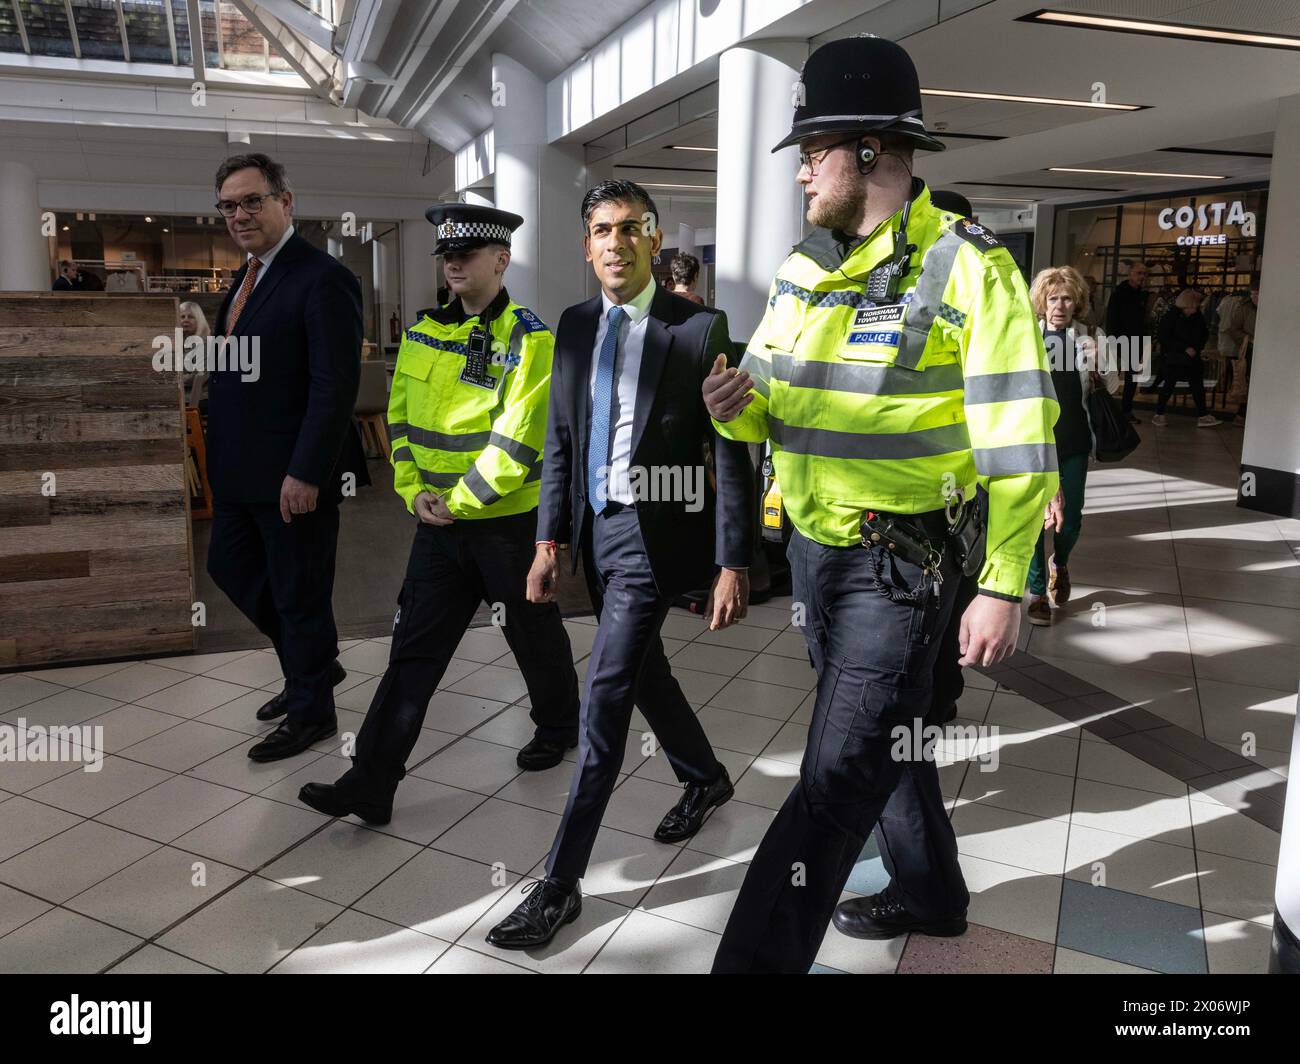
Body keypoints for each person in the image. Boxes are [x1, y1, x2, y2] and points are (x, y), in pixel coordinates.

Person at [703, 35, 1059, 974]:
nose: (798, 179)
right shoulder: (804, 266)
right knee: (884, 744)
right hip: (816, 557)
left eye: (810, 154)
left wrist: (1005, 582)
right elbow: (768, 407)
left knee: (829, 786)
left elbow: (1022, 444)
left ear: (868, 153)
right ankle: (934, 894)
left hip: (901, 571)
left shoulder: (973, 270)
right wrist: (735, 411)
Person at [485, 179, 753, 950]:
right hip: (595, 535)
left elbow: (731, 452)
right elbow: (563, 439)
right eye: (602, 228)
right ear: (586, 243)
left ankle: (559, 886)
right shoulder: (572, 328)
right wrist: (548, 544)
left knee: (601, 700)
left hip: (653, 538)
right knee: (643, 674)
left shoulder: (700, 329)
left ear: (653, 239)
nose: (615, 241)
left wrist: (734, 559)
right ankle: (704, 776)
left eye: (630, 228)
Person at [297, 204, 584, 827]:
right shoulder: (425, 333)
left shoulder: (530, 339)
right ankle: (372, 782)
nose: (454, 262)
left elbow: (517, 443)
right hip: (437, 529)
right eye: (447, 255)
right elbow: (399, 420)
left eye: (468, 254)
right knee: (413, 654)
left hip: (506, 525)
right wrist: (413, 492)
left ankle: (560, 725)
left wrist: (456, 501)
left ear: (502, 260)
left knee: (532, 636)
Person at [205, 152, 369, 762]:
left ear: (285, 202)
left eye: (252, 200)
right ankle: (313, 668)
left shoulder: (322, 278)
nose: (239, 214)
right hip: (240, 471)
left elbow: (333, 385)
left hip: (293, 474)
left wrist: (306, 471)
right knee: (230, 567)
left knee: (299, 592)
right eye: (228, 205)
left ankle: (312, 712)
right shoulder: (245, 279)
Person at [1024, 266, 1117, 627]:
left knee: (1071, 518)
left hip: (1074, 440)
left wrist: (1098, 362)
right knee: (1034, 520)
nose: (1059, 305)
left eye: (1066, 298)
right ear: (1042, 303)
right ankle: (1035, 593)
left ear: (1077, 302)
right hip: (1033, 441)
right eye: (1052, 298)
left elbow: (1112, 386)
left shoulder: (1091, 336)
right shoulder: (1028, 336)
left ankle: (1059, 564)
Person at [1151, 288, 1221, 427]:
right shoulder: (1171, 316)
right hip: (1174, 357)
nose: (1198, 306)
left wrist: (1196, 348)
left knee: (1197, 386)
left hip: (1192, 358)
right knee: (1169, 386)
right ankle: (1159, 413)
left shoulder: (1197, 317)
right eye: (1195, 304)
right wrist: (1184, 348)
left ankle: (1203, 415)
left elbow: (1203, 334)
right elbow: (1164, 337)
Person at [1105, 259, 1149, 424]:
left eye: (1144, 274)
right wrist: (1113, 341)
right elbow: (1112, 318)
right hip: (1121, 339)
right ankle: (1112, 410)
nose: (1142, 277)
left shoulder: (1141, 295)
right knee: (1114, 375)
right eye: (1139, 273)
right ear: (1130, 274)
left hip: (1135, 340)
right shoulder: (1120, 293)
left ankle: (1126, 410)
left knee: (1131, 377)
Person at [1219, 280, 1257, 426]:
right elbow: (1232, 329)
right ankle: (1242, 413)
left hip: (1267, 350)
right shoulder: (1244, 307)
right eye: (1253, 294)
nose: (1255, 297)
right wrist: (1248, 339)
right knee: (1246, 381)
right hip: (1249, 349)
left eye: (1258, 294)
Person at [178, 301, 212, 410]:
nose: (185, 320)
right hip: (179, 399)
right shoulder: (176, 343)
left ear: (199, 320)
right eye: (182, 317)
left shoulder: (207, 343)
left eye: (191, 317)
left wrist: (178, 378)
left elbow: (198, 376)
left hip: (200, 400)